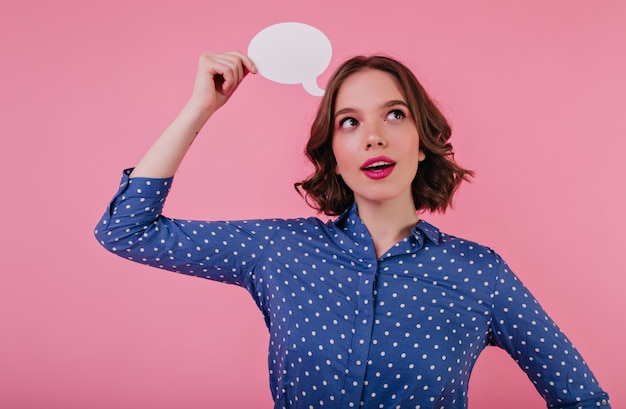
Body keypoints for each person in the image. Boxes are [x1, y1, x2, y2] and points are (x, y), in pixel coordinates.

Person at [94, 51, 611, 409]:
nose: (374, 139)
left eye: (394, 115)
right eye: (349, 122)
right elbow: (126, 230)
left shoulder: (480, 274)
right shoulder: (279, 250)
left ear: (422, 140)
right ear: (333, 154)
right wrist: (201, 107)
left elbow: (581, 397)